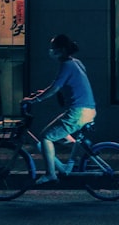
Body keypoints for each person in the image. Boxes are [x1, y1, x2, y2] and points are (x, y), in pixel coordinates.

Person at [23, 34, 97, 184]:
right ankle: (83, 157)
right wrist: (39, 93)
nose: (51, 51)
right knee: (62, 134)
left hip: (78, 111)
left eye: (53, 48)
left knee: (46, 137)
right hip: (87, 109)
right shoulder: (76, 63)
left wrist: (35, 100)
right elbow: (58, 85)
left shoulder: (67, 65)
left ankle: (51, 173)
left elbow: (55, 88)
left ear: (61, 50)